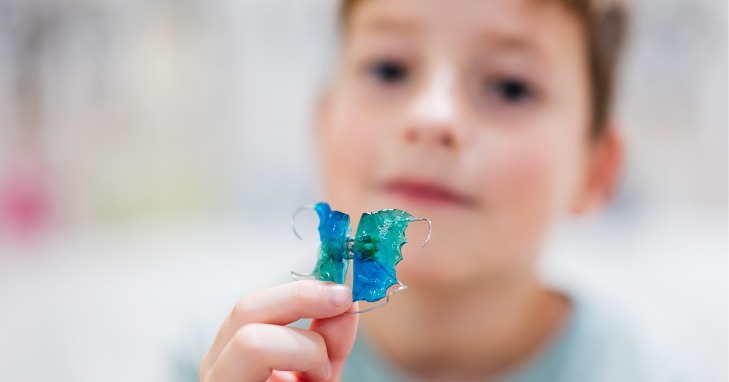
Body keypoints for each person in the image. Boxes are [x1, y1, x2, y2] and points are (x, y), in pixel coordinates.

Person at [194, 0, 696, 380]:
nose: (432, 117)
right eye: (388, 69)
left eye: (509, 87)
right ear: (323, 126)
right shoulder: (231, 357)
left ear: (595, 170)